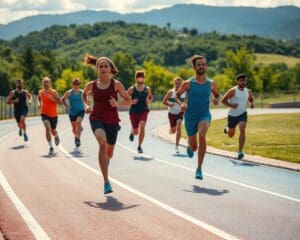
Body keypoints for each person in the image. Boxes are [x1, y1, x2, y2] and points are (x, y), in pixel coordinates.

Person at [83, 55, 131, 194]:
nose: (103, 68)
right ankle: (106, 182)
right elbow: (84, 95)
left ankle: (106, 160)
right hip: (96, 118)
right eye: (100, 66)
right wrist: (86, 105)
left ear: (110, 68)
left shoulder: (116, 84)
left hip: (112, 120)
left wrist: (118, 104)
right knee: (102, 142)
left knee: (109, 152)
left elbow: (128, 101)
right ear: (97, 69)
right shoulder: (91, 85)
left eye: (105, 66)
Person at [176, 55, 220, 180]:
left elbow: (217, 95)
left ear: (206, 66)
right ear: (194, 67)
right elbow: (177, 96)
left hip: (204, 114)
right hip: (190, 116)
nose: (201, 66)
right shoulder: (188, 83)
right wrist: (182, 103)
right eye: (199, 64)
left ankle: (199, 168)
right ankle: (190, 146)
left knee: (202, 135)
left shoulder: (211, 83)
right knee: (194, 146)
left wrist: (216, 100)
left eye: (203, 64)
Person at [221, 73, 254, 160]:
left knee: (242, 128)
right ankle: (227, 128)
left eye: (244, 81)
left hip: (242, 113)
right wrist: (231, 105)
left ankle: (240, 151)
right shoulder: (233, 91)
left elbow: (251, 99)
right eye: (241, 81)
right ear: (237, 82)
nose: (243, 82)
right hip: (232, 115)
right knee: (230, 135)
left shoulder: (248, 91)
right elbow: (223, 100)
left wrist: (251, 103)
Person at [127, 70, 153, 154]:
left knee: (142, 126)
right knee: (136, 132)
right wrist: (131, 101)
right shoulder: (131, 89)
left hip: (144, 110)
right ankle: (132, 131)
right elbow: (124, 99)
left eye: (142, 76)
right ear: (136, 78)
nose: (140, 78)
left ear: (144, 78)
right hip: (133, 111)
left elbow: (150, 97)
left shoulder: (147, 89)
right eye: (139, 76)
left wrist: (148, 100)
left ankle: (139, 146)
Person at [37, 77, 62, 155]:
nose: (46, 83)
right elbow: (38, 98)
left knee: (53, 131)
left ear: (50, 83)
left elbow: (60, 102)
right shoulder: (41, 92)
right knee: (47, 127)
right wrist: (39, 104)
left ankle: (56, 135)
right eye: (45, 82)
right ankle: (51, 147)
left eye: (47, 82)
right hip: (44, 113)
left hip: (53, 114)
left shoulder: (53, 92)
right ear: (43, 83)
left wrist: (52, 99)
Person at [162, 77, 185, 153]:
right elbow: (164, 102)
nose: (178, 85)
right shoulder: (171, 92)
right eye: (176, 83)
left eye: (179, 83)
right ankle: (171, 129)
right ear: (174, 83)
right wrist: (169, 104)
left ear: (181, 84)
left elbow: (186, 101)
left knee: (179, 126)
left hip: (180, 113)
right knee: (173, 130)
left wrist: (185, 106)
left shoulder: (184, 92)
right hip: (171, 113)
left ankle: (177, 146)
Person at [62, 78, 85, 148]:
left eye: (78, 84)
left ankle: (77, 139)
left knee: (78, 122)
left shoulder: (82, 92)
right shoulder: (69, 93)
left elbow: (87, 100)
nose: (76, 85)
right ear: (72, 85)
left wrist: (87, 106)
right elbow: (62, 99)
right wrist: (66, 106)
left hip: (81, 111)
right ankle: (76, 136)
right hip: (72, 112)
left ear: (79, 85)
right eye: (75, 84)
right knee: (74, 128)